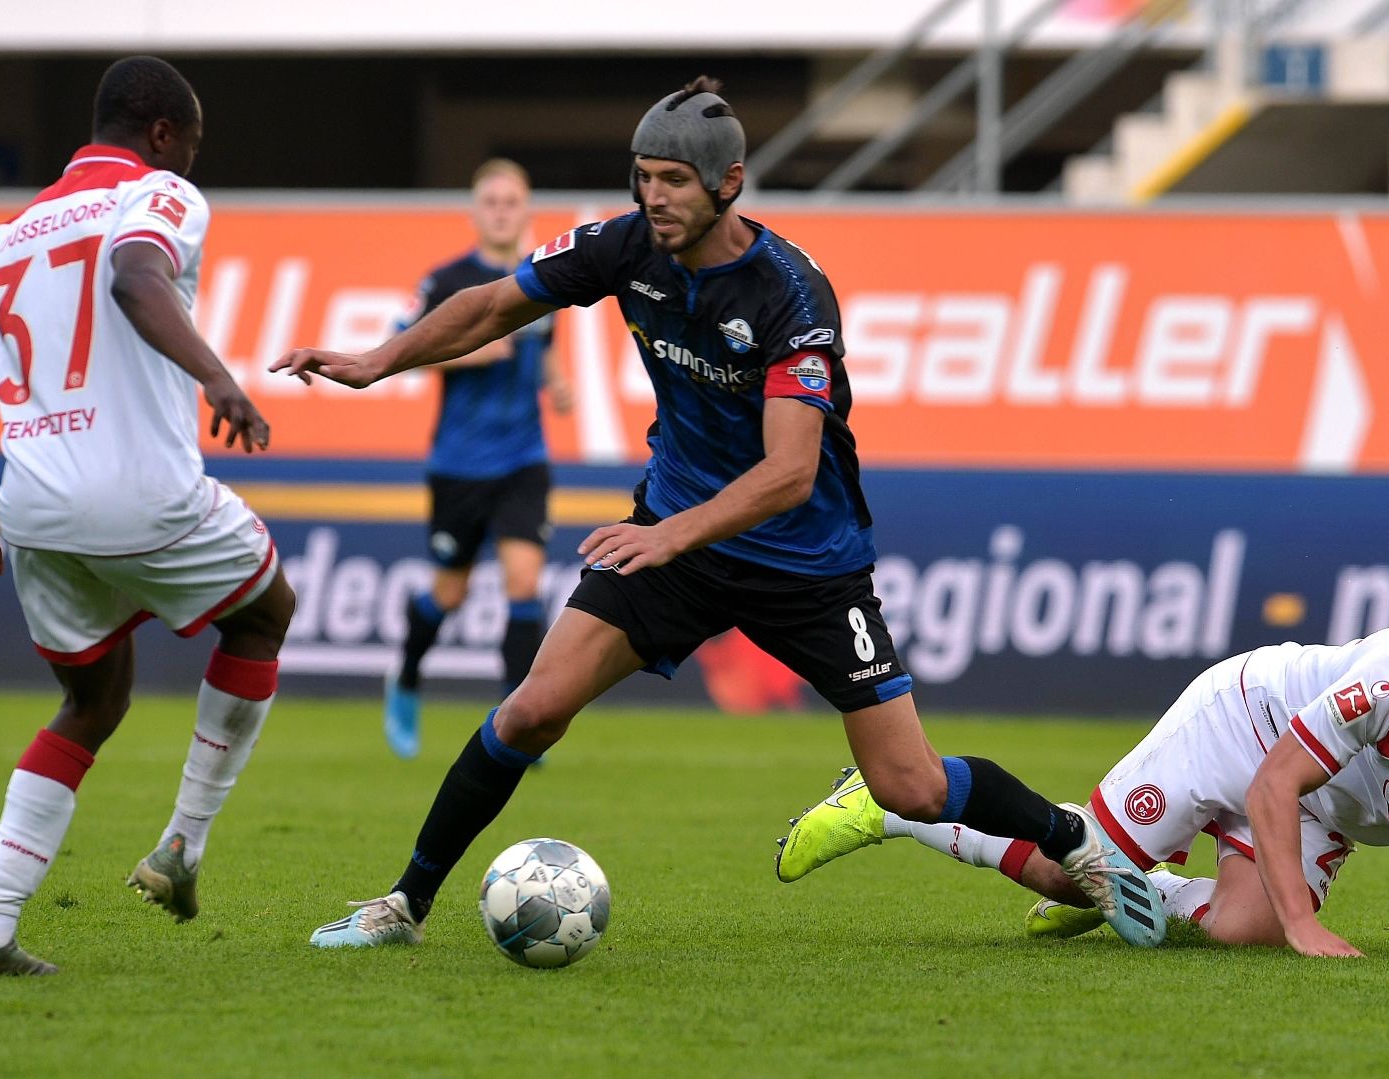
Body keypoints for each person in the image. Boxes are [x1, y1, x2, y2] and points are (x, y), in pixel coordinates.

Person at [271, 76, 1166, 951]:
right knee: (530, 711)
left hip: (805, 562)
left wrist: (667, 533)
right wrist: (375, 362)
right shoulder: (626, 246)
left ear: (728, 184)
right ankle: (403, 906)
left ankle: (1068, 837)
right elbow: (496, 304)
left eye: (673, 181)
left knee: (911, 786)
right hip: (677, 545)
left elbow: (787, 472)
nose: (652, 197)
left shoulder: (791, 296)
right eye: (643, 176)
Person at [0, 56, 296, 977]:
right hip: (141, 492)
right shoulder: (159, 194)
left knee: (92, 698)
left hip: (31, 507)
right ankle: (181, 848)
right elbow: (134, 276)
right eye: (191, 148)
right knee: (266, 612)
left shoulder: (12, 233)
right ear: (163, 134)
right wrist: (216, 375)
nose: (191, 166)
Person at [778, 626, 1389, 960]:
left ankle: (1120, 885)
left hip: (1327, 805)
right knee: (1066, 874)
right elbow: (1274, 783)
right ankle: (894, 804)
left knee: (1235, 932)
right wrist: (1307, 924)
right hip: (1248, 727)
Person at [383, 158, 573, 759]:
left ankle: (519, 718)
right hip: (459, 463)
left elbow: (545, 347)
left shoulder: (543, 278)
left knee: (523, 582)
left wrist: (557, 383)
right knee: (450, 593)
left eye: (510, 201)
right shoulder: (446, 282)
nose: (500, 210)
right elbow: (399, 348)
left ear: (527, 211)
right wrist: (469, 352)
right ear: (474, 211)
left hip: (524, 457)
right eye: (490, 201)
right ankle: (407, 677)